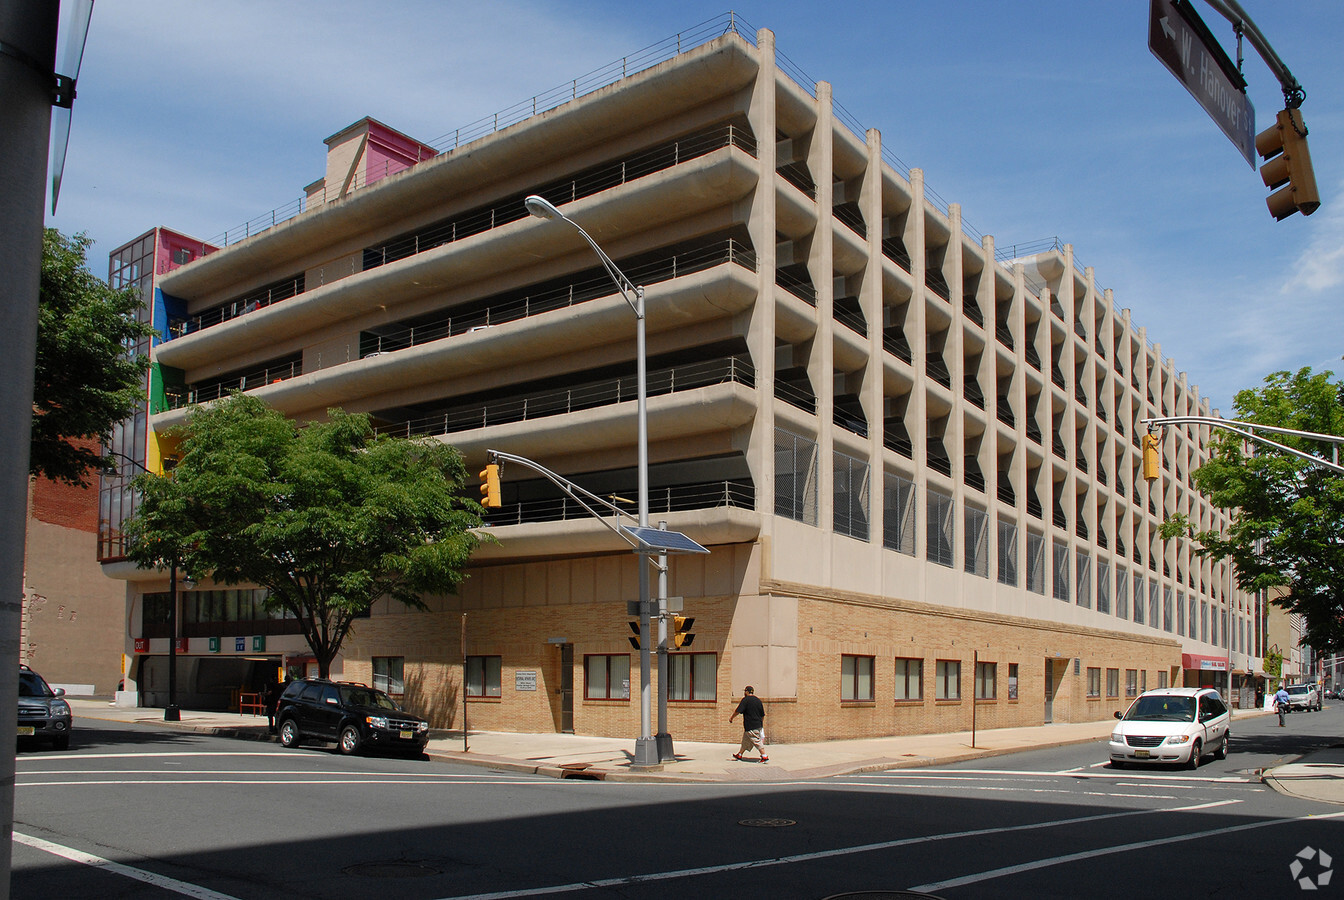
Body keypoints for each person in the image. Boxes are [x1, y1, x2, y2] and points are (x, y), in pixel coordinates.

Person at [729, 685, 767, 762]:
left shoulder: (745, 700)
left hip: (751, 725)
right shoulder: (758, 700)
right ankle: (739, 755)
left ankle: (764, 756)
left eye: (745, 691)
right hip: (757, 725)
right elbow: (762, 715)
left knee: (756, 740)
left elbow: (738, 711)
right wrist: (760, 724)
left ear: (746, 692)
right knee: (745, 741)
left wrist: (731, 717)